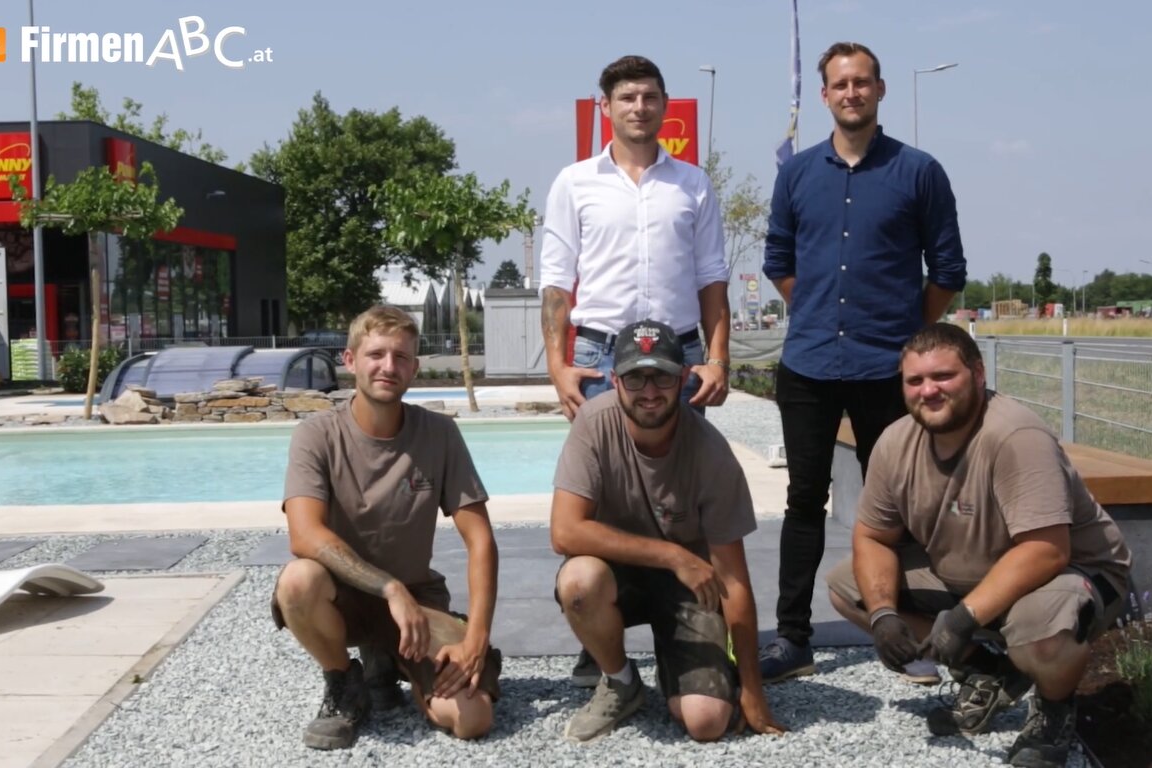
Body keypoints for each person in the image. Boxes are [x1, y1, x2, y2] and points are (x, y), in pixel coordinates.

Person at [825, 322, 1132, 767]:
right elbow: (872, 537)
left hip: (1071, 572)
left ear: (978, 374)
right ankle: (988, 671)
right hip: (972, 573)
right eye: (915, 380)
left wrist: (963, 617)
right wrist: (884, 615)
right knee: (848, 588)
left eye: (943, 376)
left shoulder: (1015, 437)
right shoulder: (895, 443)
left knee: (1041, 632)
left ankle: (1054, 710)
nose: (928, 390)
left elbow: (1047, 549)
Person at [758, 41, 968, 683]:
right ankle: (792, 638)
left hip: (888, 371)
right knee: (803, 499)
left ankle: (915, 635)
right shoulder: (796, 174)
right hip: (809, 366)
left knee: (903, 502)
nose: (851, 93)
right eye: (840, 84)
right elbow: (777, 260)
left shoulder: (919, 171)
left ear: (879, 90)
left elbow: (948, 270)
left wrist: (907, 332)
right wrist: (817, 310)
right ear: (825, 95)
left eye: (862, 82)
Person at [272, 305, 502, 750]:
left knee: (471, 719)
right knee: (298, 581)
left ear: (414, 367)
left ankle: (395, 664)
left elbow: (480, 540)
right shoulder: (316, 436)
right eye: (376, 354)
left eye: (401, 357)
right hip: (343, 599)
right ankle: (344, 682)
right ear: (350, 360)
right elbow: (304, 535)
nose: (388, 367)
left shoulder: (439, 434)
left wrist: (477, 637)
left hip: (419, 603)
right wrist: (390, 589)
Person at [549, 320, 786, 743]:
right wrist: (673, 556)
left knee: (706, 722)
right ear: (615, 380)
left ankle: (682, 666)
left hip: (688, 589)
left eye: (661, 376)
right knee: (578, 582)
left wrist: (753, 688)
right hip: (623, 574)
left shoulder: (712, 453)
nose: (649, 391)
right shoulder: (593, 423)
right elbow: (564, 532)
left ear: (683, 378)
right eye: (635, 377)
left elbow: (733, 579)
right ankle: (620, 681)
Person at [539, 54, 732, 425]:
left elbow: (712, 277)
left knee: (684, 464)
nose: (639, 107)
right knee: (603, 462)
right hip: (600, 359)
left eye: (649, 97)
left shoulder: (694, 184)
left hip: (680, 357)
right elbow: (556, 281)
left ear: (665, 104)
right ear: (606, 106)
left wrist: (718, 361)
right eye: (627, 98)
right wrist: (556, 368)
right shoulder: (574, 183)